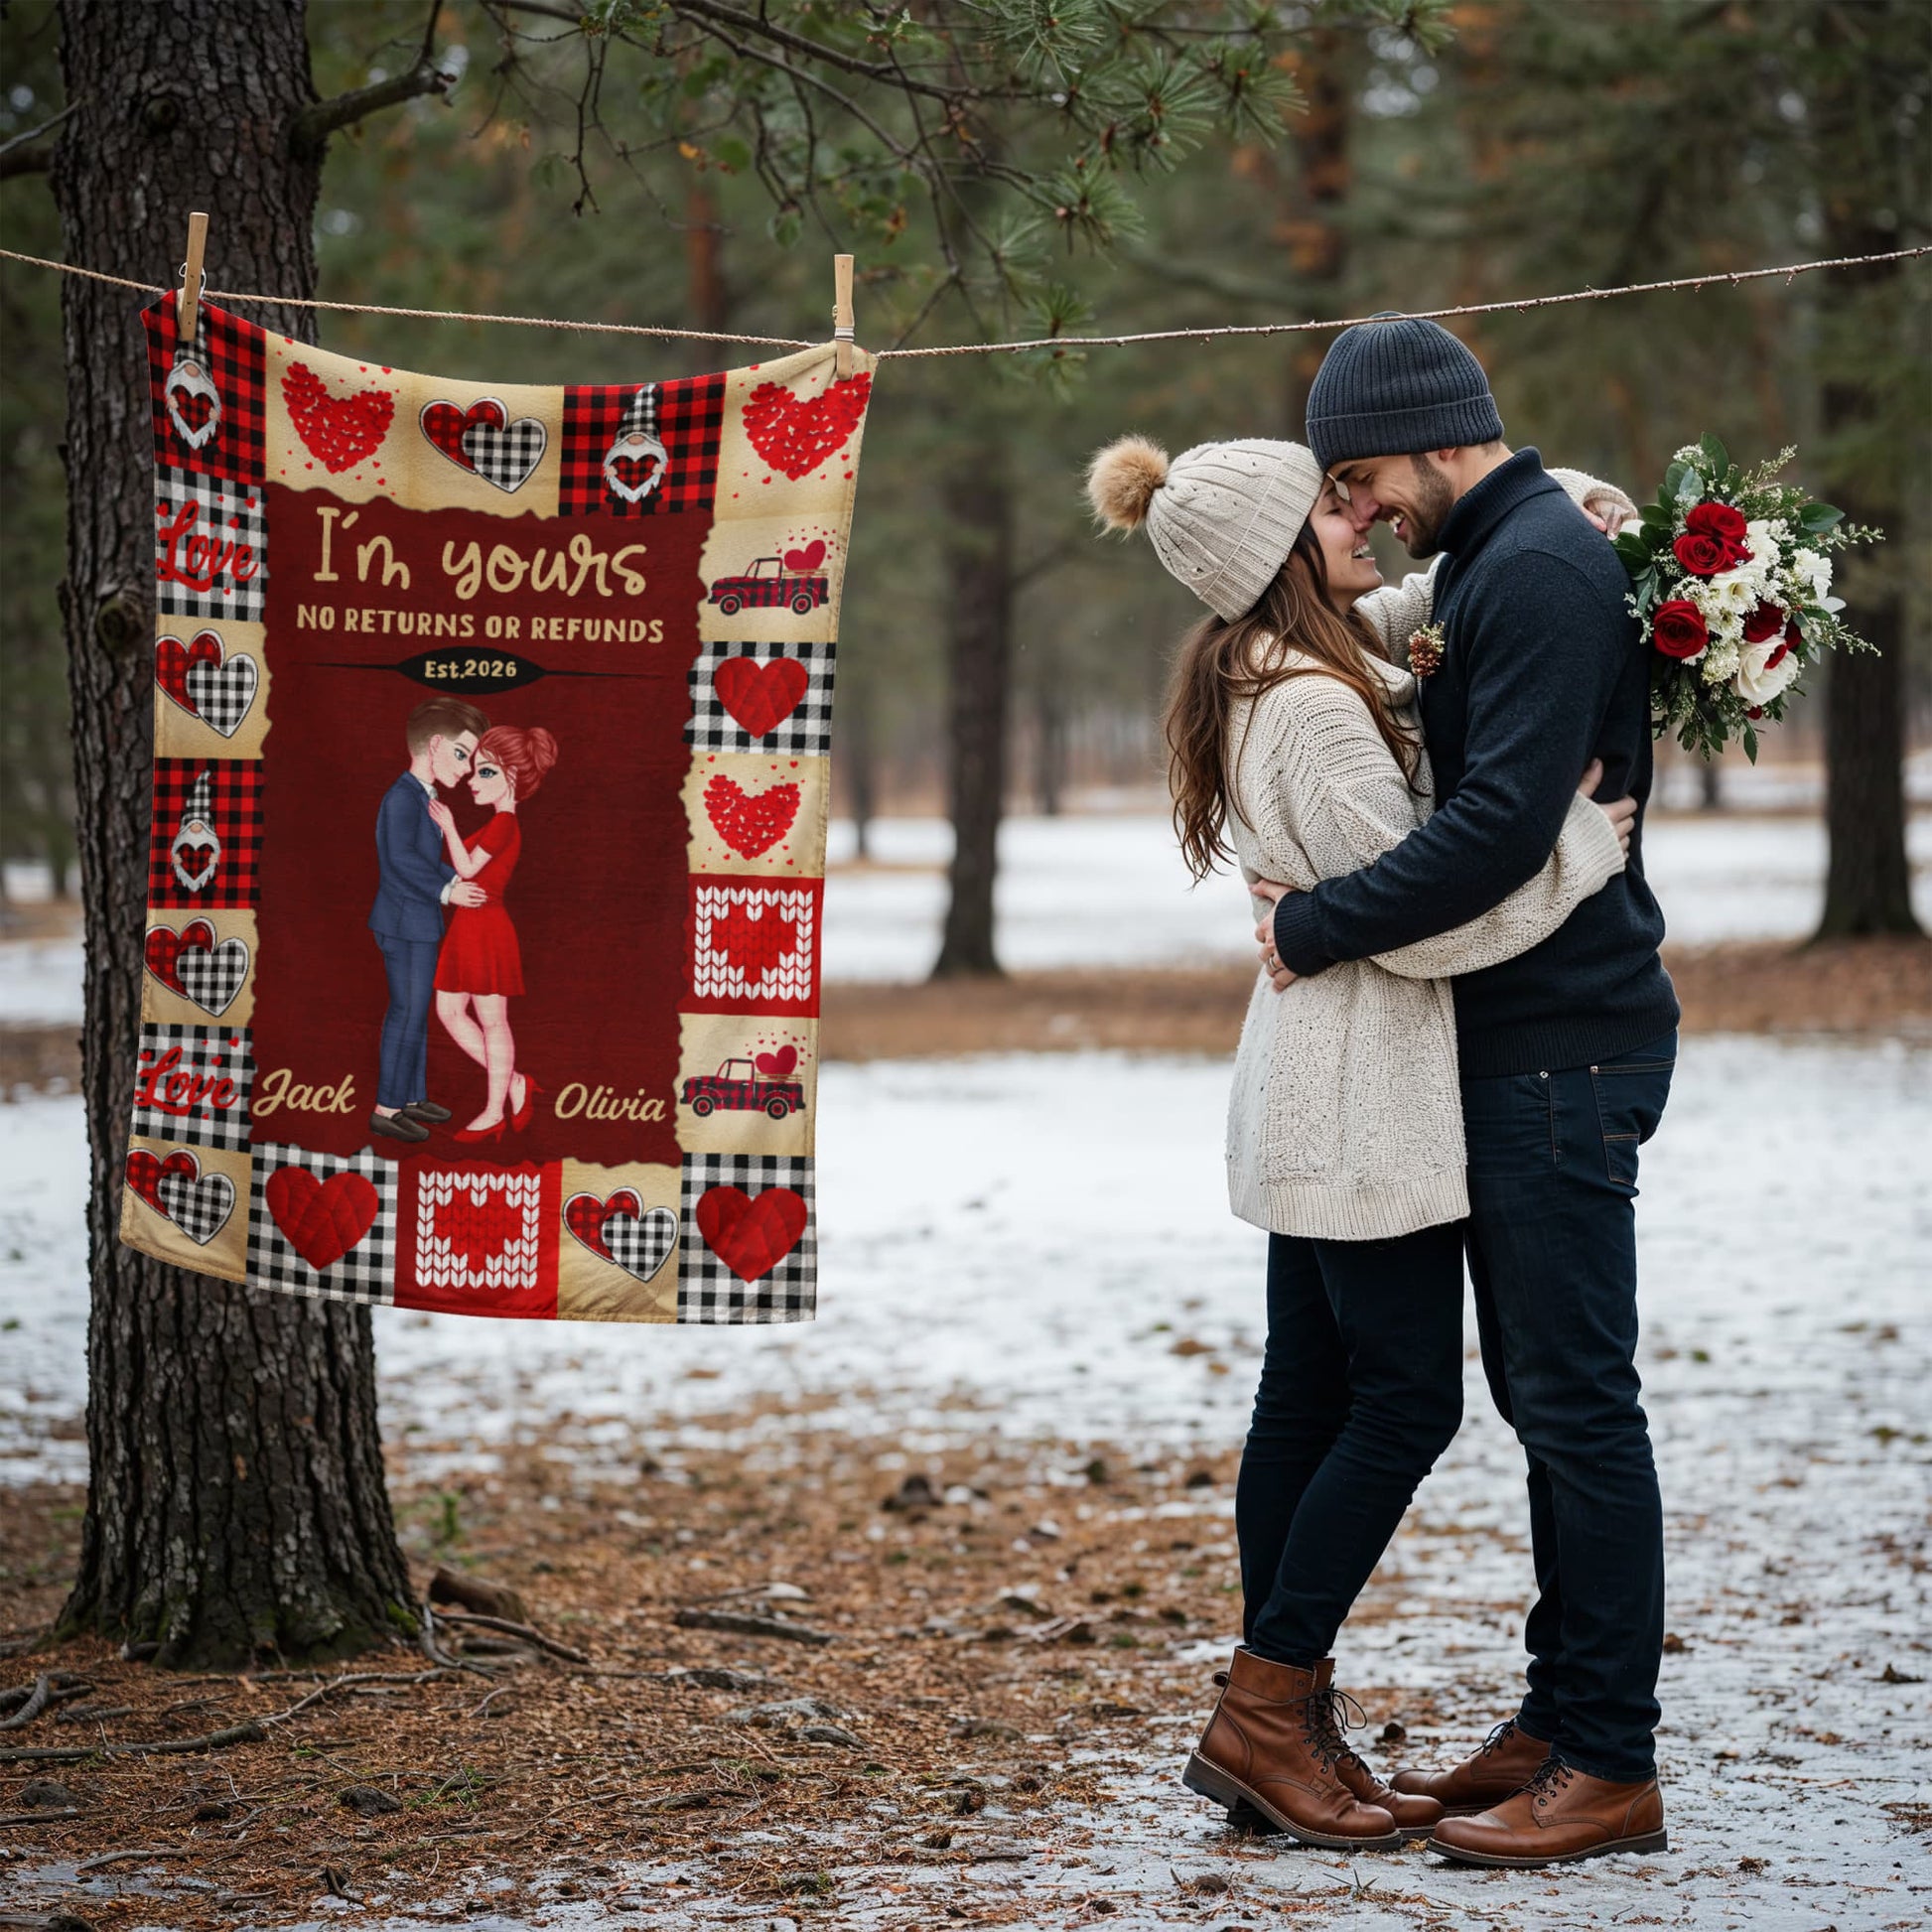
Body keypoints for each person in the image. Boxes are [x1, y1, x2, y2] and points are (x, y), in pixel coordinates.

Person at [1087, 429, 1639, 1855]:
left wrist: (1558, 512)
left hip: (1311, 1080)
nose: (1362, 518)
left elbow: (1407, 620)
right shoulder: (1316, 715)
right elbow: (1434, 911)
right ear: (1280, 553)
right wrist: (1584, 842)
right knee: (1402, 1404)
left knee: (1305, 1397)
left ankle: (1285, 1707)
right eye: (1331, 509)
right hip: (1359, 1092)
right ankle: (1265, 1707)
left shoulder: (1267, 660)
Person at [1254, 315, 1682, 1869]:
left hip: (1563, 1041)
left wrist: (1310, 920)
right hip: (1516, 1037)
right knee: (1541, 1397)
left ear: (1434, 435)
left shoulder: (1538, 567)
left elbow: (1505, 825)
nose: (1358, 510)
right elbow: (1384, 654)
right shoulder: (1504, 554)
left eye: (1362, 478)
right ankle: (1557, 1714)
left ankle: (1611, 1755)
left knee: (1574, 1401)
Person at [368, 697, 489, 1147]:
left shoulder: (424, 796)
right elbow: (399, 860)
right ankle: (386, 1107)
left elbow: (425, 859)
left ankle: (411, 1097)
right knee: (406, 1012)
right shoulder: (402, 796)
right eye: (462, 755)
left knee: (417, 1013)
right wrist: (447, 890)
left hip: (418, 922)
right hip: (403, 923)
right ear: (435, 744)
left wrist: (455, 878)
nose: (466, 768)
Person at [428, 724, 558, 1141]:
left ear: (514, 778)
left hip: (486, 928)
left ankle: (492, 1110)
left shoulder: (503, 823)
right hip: (470, 924)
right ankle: (515, 1082)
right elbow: (458, 869)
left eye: (486, 772)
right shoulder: (496, 824)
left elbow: (466, 867)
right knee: (449, 1011)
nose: (471, 779)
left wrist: (447, 825)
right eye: (475, 769)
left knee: (492, 1022)